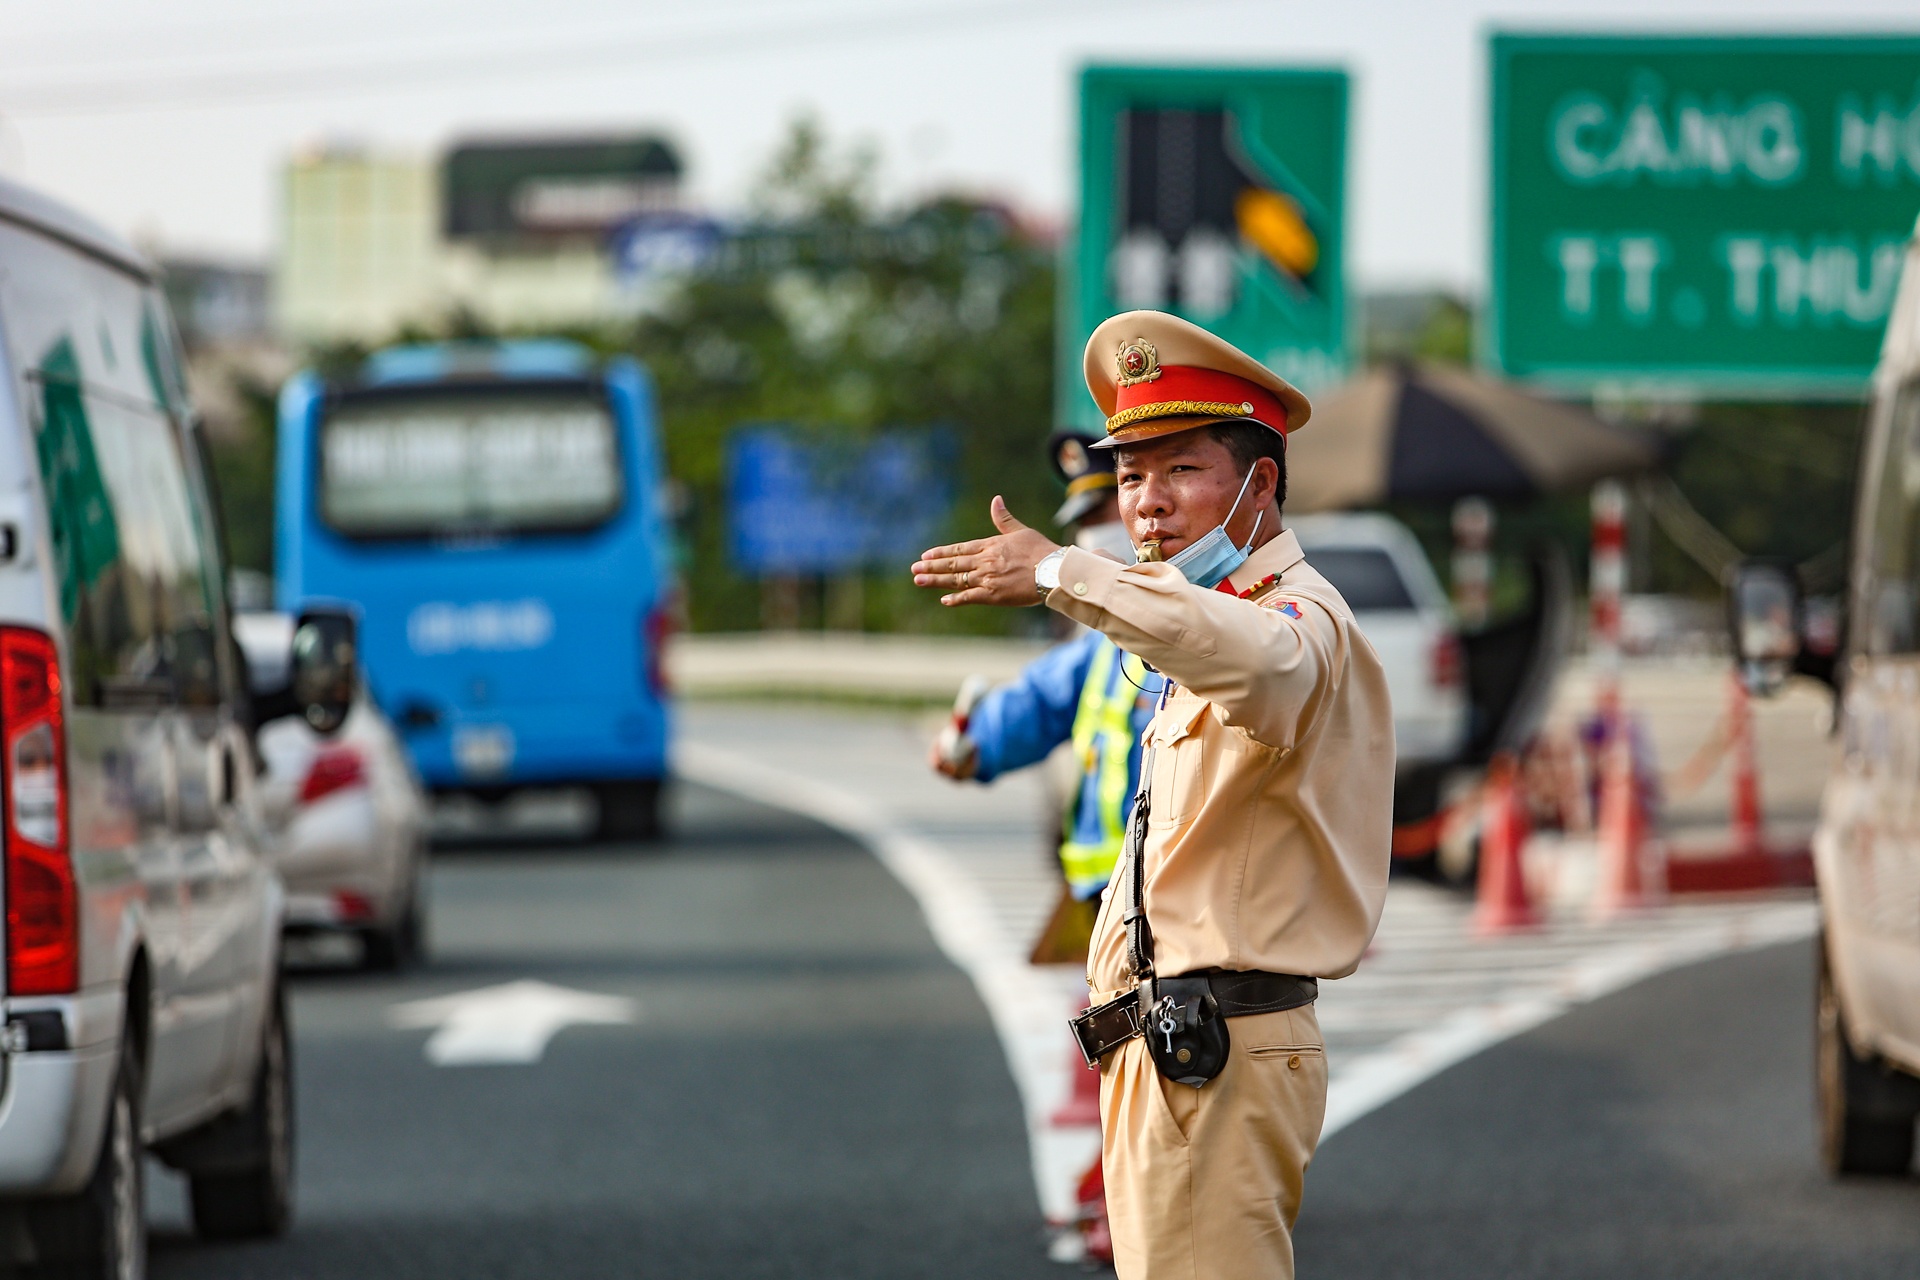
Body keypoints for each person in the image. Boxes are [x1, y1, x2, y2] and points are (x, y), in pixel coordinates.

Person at [911, 310, 1394, 1280]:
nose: (1147, 505)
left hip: (1219, 1041)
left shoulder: (1295, 618)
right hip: (1166, 1044)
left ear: (1261, 484)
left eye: (1181, 469)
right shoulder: (1193, 624)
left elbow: (1256, 659)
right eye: (1131, 476)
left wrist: (1059, 570)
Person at [931, 431, 1162, 937]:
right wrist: (976, 744)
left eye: (1101, 513)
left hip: (1166, 897)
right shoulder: (1102, 642)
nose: (1092, 533)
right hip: (1108, 896)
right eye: (1083, 522)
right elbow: (1042, 697)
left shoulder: (1192, 620)